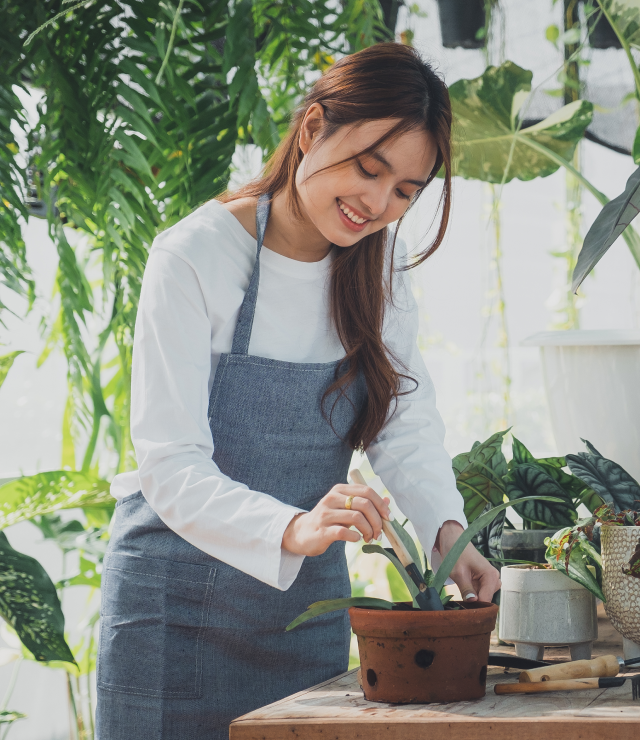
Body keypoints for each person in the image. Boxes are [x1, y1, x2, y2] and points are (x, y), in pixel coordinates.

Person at [95, 42, 498, 739]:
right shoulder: (194, 256)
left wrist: (446, 532)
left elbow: (400, 422)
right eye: (369, 170)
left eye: (404, 191)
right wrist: (295, 527)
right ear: (311, 130)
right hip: (172, 615)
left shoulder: (381, 268)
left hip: (301, 618)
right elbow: (170, 463)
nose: (376, 205)